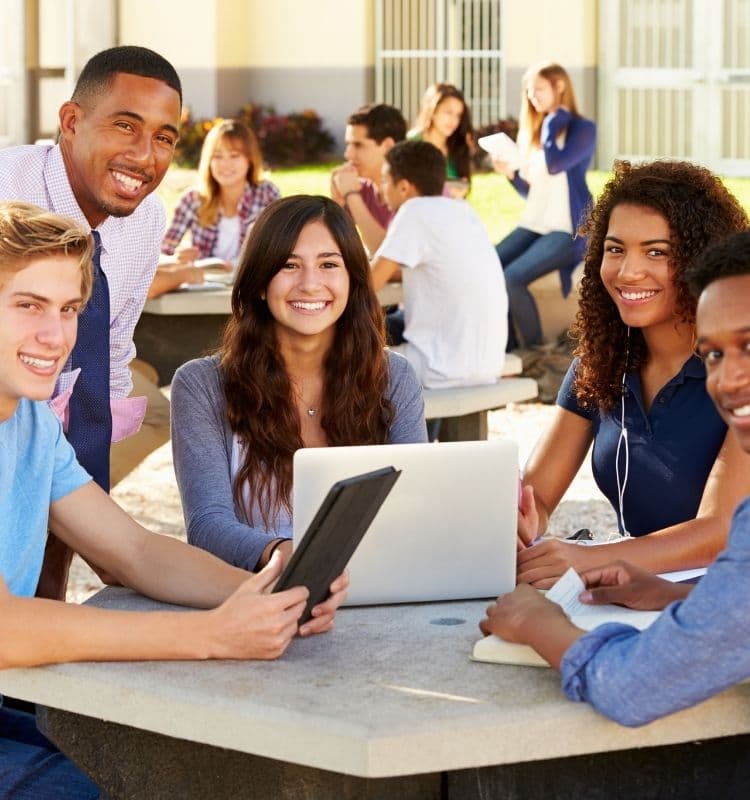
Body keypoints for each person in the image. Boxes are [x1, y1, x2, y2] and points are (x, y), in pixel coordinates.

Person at [0, 201, 347, 797]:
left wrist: (266, 592)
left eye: (68, 310)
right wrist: (212, 636)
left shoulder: (29, 420)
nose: (54, 336)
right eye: (27, 305)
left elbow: (133, 551)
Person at [480, 230, 750, 726]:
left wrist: (541, 625)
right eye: (713, 354)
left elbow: (635, 686)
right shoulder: (603, 363)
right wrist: (679, 597)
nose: (730, 378)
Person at [0, 45, 183, 597]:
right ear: (71, 122)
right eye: (125, 126)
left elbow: (110, 346)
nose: (144, 155)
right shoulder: (7, 191)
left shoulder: (145, 219)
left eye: (164, 137)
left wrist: (84, 493)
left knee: (50, 575)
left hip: (54, 414)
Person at [515, 159, 750, 589]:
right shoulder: (600, 361)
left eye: (657, 252)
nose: (628, 272)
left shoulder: (737, 371)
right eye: (616, 248)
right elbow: (537, 494)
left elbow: (719, 532)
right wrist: (523, 522)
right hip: (637, 593)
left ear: (701, 260)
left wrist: (587, 559)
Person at [171, 195, 427, 570]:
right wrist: (285, 555)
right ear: (259, 282)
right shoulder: (201, 385)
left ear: (353, 280)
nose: (310, 284)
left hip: (373, 585)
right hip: (261, 595)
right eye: (289, 265)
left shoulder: (394, 376)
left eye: (328, 264)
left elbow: (416, 506)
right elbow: (207, 527)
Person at [371, 140, 507, 389]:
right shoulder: (463, 210)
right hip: (487, 365)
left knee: (347, 360)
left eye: (384, 181)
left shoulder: (415, 210)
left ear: (403, 187)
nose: (380, 191)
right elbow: (438, 270)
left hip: (439, 368)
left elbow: (368, 283)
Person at [493, 62, 596, 350]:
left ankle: (535, 350)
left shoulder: (582, 129)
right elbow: (534, 193)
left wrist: (552, 122)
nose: (531, 96)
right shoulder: (538, 133)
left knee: (512, 278)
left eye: (538, 89)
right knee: (487, 268)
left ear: (559, 86)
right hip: (534, 225)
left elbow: (556, 165)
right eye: (528, 91)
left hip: (567, 229)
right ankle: (506, 347)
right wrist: (511, 174)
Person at [161, 118, 281, 270]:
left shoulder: (267, 194)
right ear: (208, 161)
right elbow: (162, 254)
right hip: (204, 287)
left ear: (249, 159)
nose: (225, 164)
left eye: (234, 155)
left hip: (250, 286)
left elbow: (281, 249)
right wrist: (178, 258)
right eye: (217, 156)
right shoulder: (191, 200)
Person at [330, 104, 407, 254]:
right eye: (349, 145)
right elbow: (332, 250)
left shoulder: (411, 192)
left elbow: (386, 254)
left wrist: (352, 195)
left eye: (358, 145)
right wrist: (337, 203)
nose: (348, 155)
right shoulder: (363, 189)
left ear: (387, 146)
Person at [409, 82, 475, 198]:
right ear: (433, 111)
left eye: (458, 115)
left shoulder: (458, 147)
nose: (453, 120)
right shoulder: (411, 144)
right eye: (448, 112)